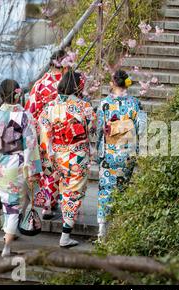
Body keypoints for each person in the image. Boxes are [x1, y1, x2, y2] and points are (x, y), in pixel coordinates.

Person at [0, 79, 42, 257]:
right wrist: (34, 168)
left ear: (1, 95)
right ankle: (7, 245)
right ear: (19, 95)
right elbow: (32, 144)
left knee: (9, 200)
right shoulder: (26, 116)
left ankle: (9, 230)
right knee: (14, 203)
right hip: (17, 164)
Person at [38, 70, 97, 247]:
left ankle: (62, 221)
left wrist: (48, 157)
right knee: (73, 194)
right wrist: (92, 150)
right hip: (77, 157)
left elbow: (44, 135)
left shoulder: (49, 107)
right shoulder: (84, 107)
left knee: (64, 190)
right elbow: (92, 131)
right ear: (79, 86)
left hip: (56, 155)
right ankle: (65, 235)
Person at [95, 70, 140, 242]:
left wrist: (99, 151)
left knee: (105, 189)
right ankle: (118, 227)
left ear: (113, 83)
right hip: (127, 152)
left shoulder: (104, 104)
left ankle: (102, 228)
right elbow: (140, 128)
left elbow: (99, 128)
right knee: (121, 189)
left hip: (109, 152)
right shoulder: (135, 104)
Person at [25, 50, 67, 220]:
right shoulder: (68, 83)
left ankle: (47, 206)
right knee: (63, 166)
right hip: (65, 132)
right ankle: (62, 201)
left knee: (47, 168)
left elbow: (31, 111)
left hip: (44, 133)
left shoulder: (40, 83)